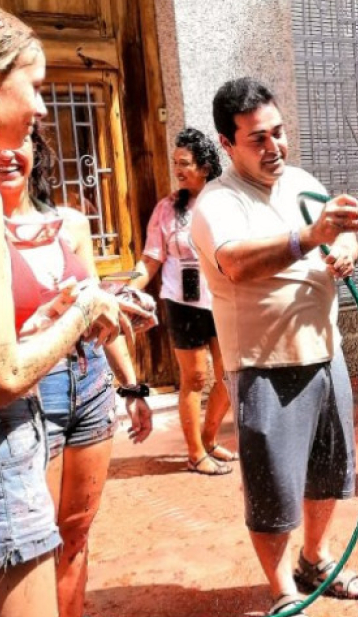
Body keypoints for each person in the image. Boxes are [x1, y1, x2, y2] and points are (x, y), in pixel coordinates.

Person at [190, 77, 358, 617]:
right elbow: (236, 264)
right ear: (227, 143)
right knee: (272, 489)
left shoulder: (302, 183)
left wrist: (345, 246)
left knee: (327, 472)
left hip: (326, 354)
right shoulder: (217, 202)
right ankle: (282, 593)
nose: (274, 147)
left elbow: (342, 232)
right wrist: (307, 238)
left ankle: (315, 561)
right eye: (257, 139)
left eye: (278, 132)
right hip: (265, 365)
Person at [0, 6, 132, 617]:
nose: (43, 107)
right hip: (1, 451)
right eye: (35, 85)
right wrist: (82, 310)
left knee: (77, 531)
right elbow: (4, 377)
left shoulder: (65, 221)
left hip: (75, 392)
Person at [0, 126, 154, 617]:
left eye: (21, 139)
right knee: (33, 543)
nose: (7, 152)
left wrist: (132, 386)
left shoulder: (71, 223)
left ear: (37, 149)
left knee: (77, 529)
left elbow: (95, 309)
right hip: (28, 393)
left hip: (87, 384)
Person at [133, 127, 232, 476]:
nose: (177, 169)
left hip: (222, 299)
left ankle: (208, 438)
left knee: (229, 377)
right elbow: (150, 260)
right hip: (182, 303)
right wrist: (130, 289)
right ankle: (194, 454)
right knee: (194, 377)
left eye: (184, 162)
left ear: (205, 166)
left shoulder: (225, 202)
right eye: (174, 162)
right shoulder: (166, 209)